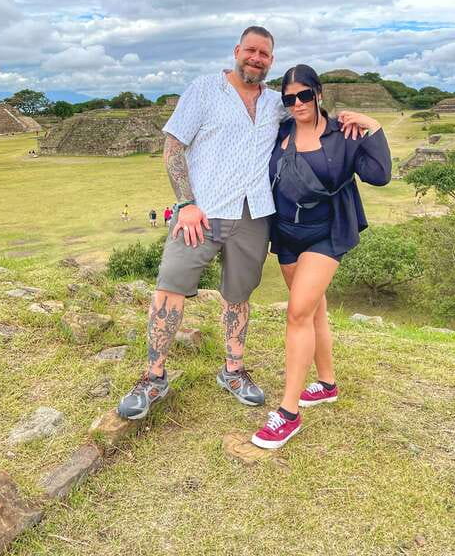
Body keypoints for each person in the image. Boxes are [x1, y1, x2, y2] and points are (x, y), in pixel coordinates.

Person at [117, 28, 361, 420]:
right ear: (237, 51)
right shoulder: (204, 89)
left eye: (264, 53)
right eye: (251, 50)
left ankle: (233, 369)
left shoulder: (276, 103)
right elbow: (173, 147)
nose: (256, 58)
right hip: (203, 212)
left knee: (239, 294)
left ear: (271, 60)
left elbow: (311, 114)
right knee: (170, 287)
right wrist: (186, 203)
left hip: (254, 213)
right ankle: (153, 377)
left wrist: (352, 120)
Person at [251, 65, 391, 449]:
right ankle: (327, 384)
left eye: (304, 95)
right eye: (289, 98)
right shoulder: (279, 133)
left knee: (297, 313)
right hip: (286, 234)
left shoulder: (342, 135)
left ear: (318, 93)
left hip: (326, 235)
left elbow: (380, 175)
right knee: (313, 312)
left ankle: (288, 413)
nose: (297, 104)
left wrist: (373, 125)